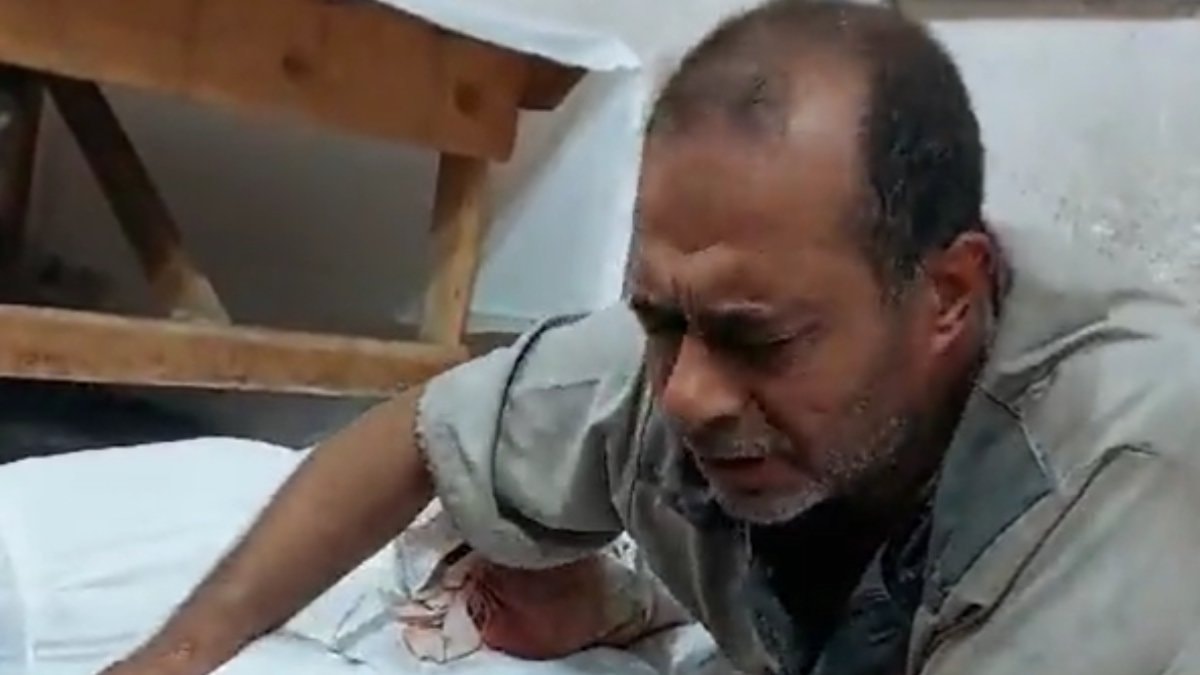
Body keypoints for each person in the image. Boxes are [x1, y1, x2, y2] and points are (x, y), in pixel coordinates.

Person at [102, 2, 1200, 674]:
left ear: (947, 295)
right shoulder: (692, 341)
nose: (686, 393)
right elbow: (422, 435)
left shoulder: (1121, 457)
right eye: (659, 318)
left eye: (758, 339)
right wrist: (175, 657)